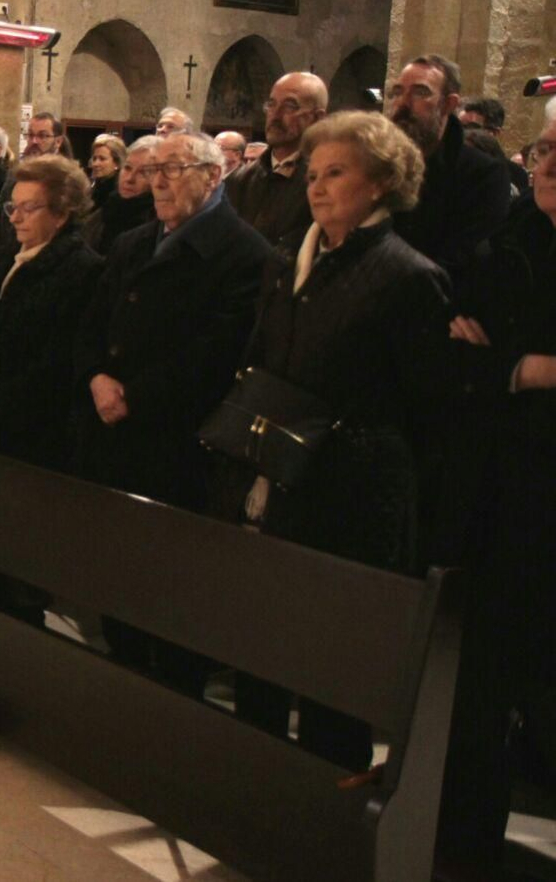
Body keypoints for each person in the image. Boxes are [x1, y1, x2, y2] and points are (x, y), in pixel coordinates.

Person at [224, 110, 522, 773]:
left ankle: (333, 814)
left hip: (354, 495)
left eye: (337, 173)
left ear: (382, 184)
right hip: (278, 475)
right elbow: (258, 358)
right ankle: (256, 785)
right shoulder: (287, 262)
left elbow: (427, 407)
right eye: (312, 173)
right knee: (263, 648)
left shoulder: (407, 276)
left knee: (335, 671)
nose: (318, 187)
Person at [74, 130, 271, 696]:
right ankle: (123, 681)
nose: (157, 180)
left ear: (213, 177)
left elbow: (216, 352)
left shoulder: (244, 254)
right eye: (152, 169)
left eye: (173, 169)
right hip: (113, 433)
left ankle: (172, 702)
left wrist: (131, 394)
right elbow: (91, 322)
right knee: (119, 575)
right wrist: (95, 376)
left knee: (174, 584)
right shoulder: (134, 242)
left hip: (176, 444)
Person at [436, 116, 556, 870]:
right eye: (546, 151)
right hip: (494, 496)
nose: (550, 165)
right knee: (478, 685)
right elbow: (453, 354)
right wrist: (525, 369)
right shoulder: (502, 245)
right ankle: (465, 846)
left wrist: (501, 364)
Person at [0, 155, 104, 470]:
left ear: (62, 214)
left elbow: (60, 356)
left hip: (32, 432)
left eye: (28, 208)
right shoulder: (4, 258)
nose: (14, 218)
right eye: (12, 206)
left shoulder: (83, 270)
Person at [387, 54, 512, 294]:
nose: (402, 103)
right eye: (398, 92)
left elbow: (465, 257)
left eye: (420, 92)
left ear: (449, 104)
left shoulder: (483, 174)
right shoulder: (376, 165)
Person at [226, 72, 327, 246]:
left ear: (317, 118)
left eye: (289, 106)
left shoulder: (323, 184)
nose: (275, 115)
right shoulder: (239, 180)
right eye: (271, 104)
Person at [81, 135, 157, 256]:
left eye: (143, 172)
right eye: (127, 168)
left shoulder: (154, 221)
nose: (130, 179)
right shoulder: (109, 206)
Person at [86, 134, 127, 209]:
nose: (95, 164)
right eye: (94, 158)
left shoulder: (119, 192)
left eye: (102, 159)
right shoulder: (96, 186)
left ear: (117, 163)